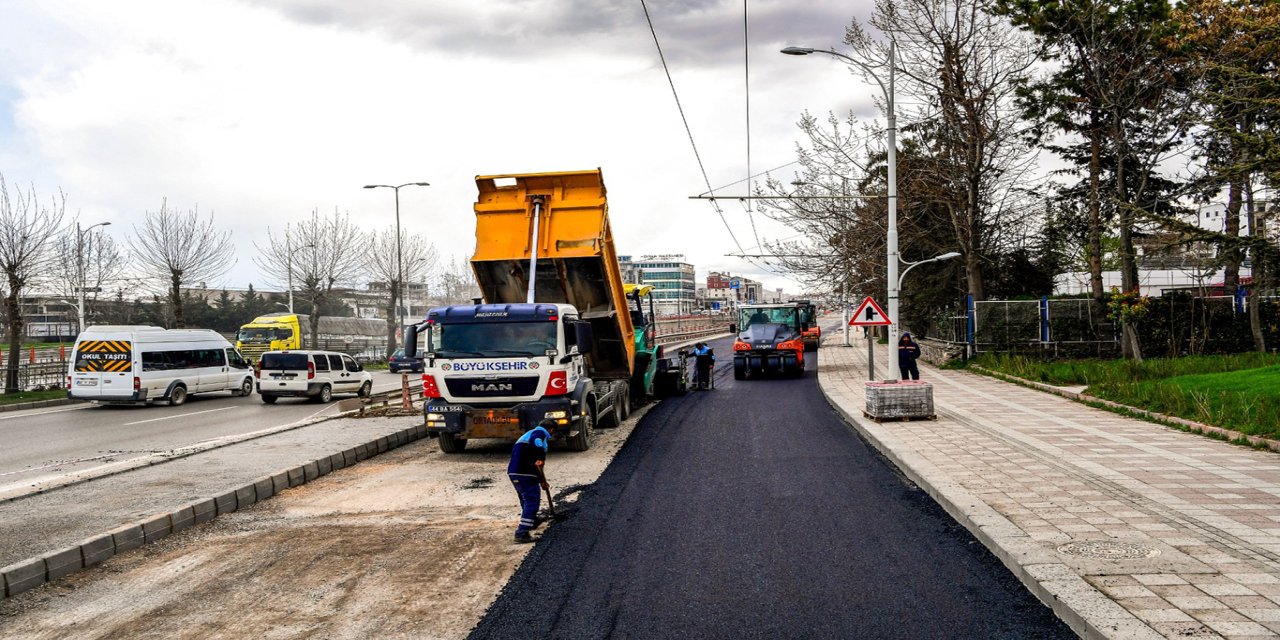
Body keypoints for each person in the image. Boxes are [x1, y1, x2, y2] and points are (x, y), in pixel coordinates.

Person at [507, 422, 553, 543]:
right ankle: (521, 533)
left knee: (525, 500)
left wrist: (542, 481)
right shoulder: (539, 433)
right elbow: (536, 442)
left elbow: (537, 466)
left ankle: (532, 521)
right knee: (532, 502)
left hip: (514, 472)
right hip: (526, 473)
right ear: (551, 429)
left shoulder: (526, 435)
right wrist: (541, 457)